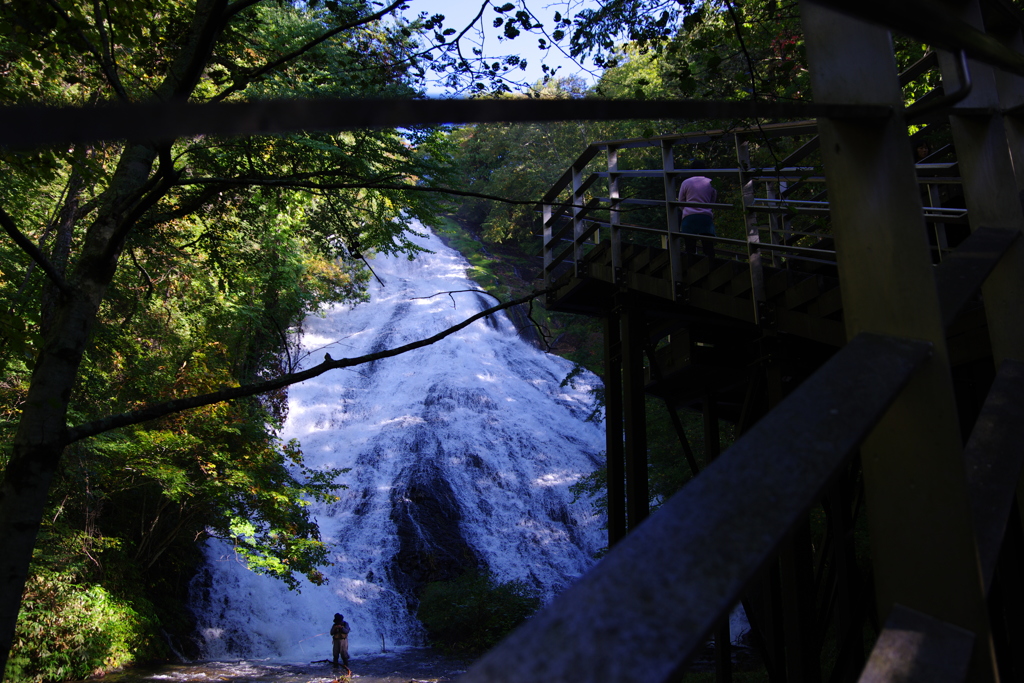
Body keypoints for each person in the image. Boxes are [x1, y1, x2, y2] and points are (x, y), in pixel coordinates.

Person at [677, 172, 717, 260]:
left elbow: (680, 201)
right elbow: (713, 200)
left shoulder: (686, 182)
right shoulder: (710, 182)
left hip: (689, 217)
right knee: (708, 247)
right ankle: (711, 266)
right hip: (705, 217)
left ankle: (690, 266)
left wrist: (686, 210)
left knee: (689, 247)